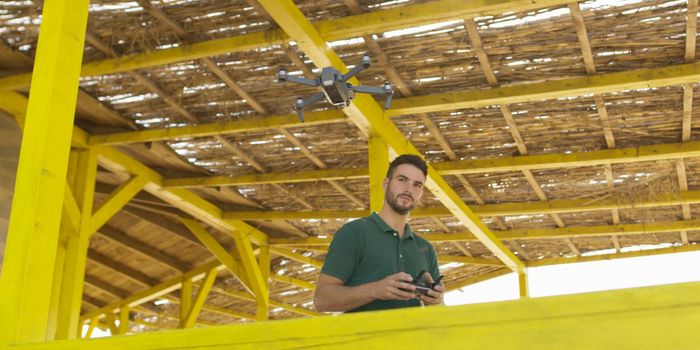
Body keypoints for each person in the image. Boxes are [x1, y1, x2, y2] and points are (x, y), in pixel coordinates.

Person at [313, 154, 444, 313]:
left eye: (417, 185)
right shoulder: (354, 233)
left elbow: (440, 313)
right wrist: (376, 290)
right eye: (402, 180)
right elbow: (322, 300)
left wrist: (436, 301)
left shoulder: (426, 248)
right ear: (386, 183)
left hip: (414, 338)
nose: (409, 189)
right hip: (363, 337)